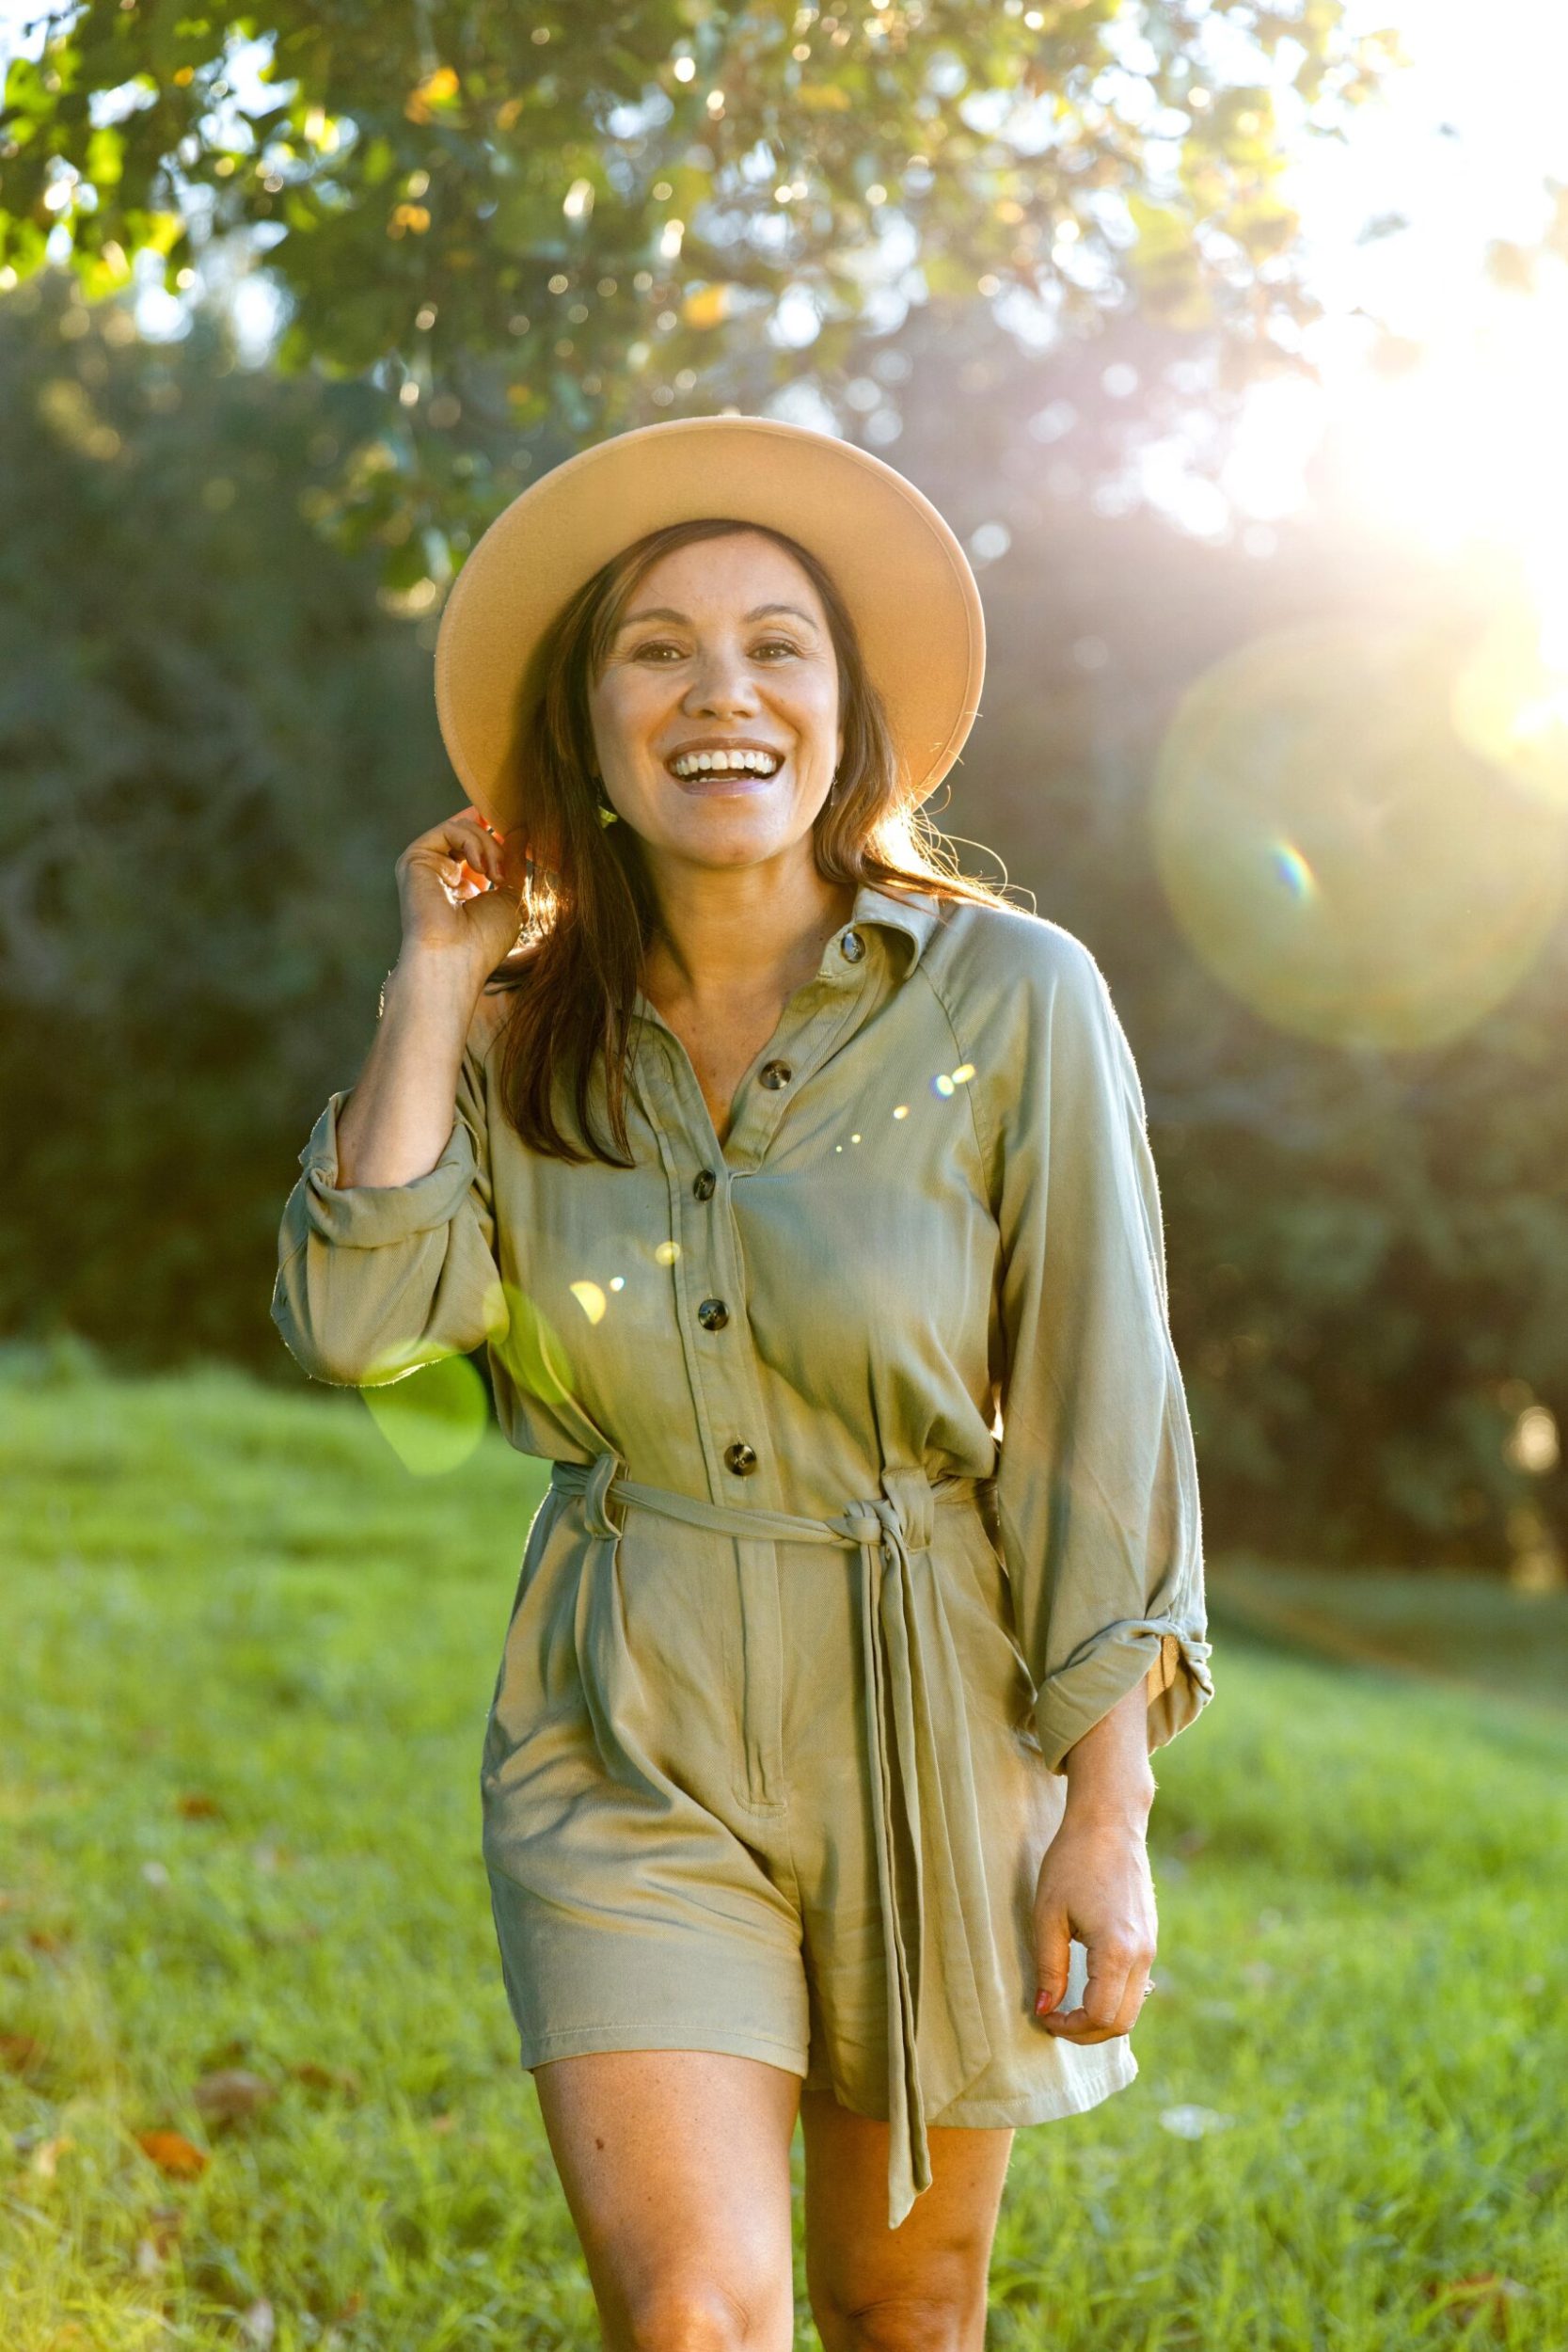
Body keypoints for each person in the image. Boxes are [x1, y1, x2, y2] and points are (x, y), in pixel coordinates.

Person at [272, 414, 1213, 2352]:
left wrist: (1101, 1810)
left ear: (844, 708)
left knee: (912, 2305)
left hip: (942, 1718)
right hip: (633, 1726)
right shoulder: (523, 1038)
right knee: (698, 2313)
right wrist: (437, 981)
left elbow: (1101, 1419)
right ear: (590, 723)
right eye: (659, 648)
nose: (723, 691)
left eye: (778, 643)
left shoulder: (1015, 995)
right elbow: (366, 1327)